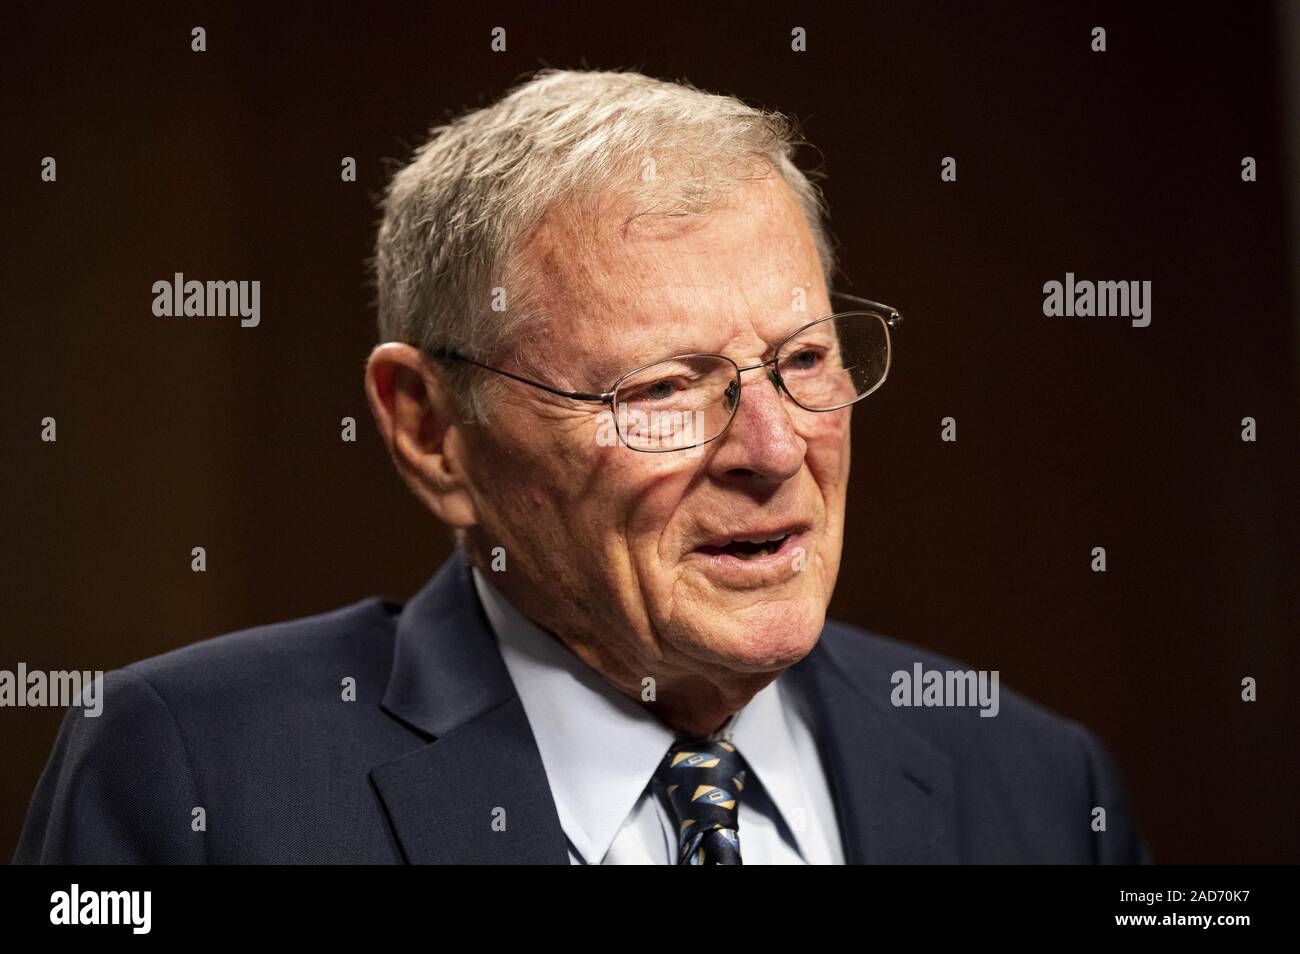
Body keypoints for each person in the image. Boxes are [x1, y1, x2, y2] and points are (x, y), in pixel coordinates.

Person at [14, 69, 1150, 864]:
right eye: (660, 388)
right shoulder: (197, 776)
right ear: (429, 428)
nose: (770, 449)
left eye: (802, 360)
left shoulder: (1037, 787)